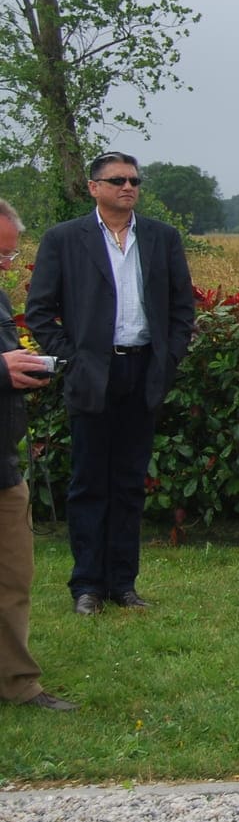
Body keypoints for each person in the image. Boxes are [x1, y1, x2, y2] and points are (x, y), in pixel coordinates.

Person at [24, 153, 196, 615]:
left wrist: (170, 356)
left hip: (143, 371)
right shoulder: (65, 239)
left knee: (128, 483)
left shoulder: (161, 238)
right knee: (87, 483)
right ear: (93, 187)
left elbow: (183, 308)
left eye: (134, 180)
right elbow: (40, 310)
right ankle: (87, 586)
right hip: (92, 373)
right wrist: (74, 356)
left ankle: (123, 584)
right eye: (117, 180)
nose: (128, 187)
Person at [1, 201, 78, 710]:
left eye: (8, 255)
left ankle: (17, 683)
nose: (6, 266)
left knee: (14, 577)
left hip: (3, 463)